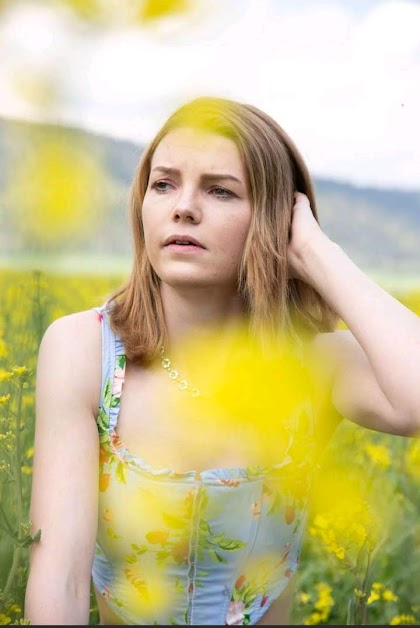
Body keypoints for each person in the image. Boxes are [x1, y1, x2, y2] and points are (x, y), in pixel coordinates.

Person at [24, 96, 420, 626]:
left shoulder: (312, 364)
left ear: (275, 221)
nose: (183, 207)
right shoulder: (85, 349)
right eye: (163, 184)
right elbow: (61, 581)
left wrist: (318, 255)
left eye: (220, 190)